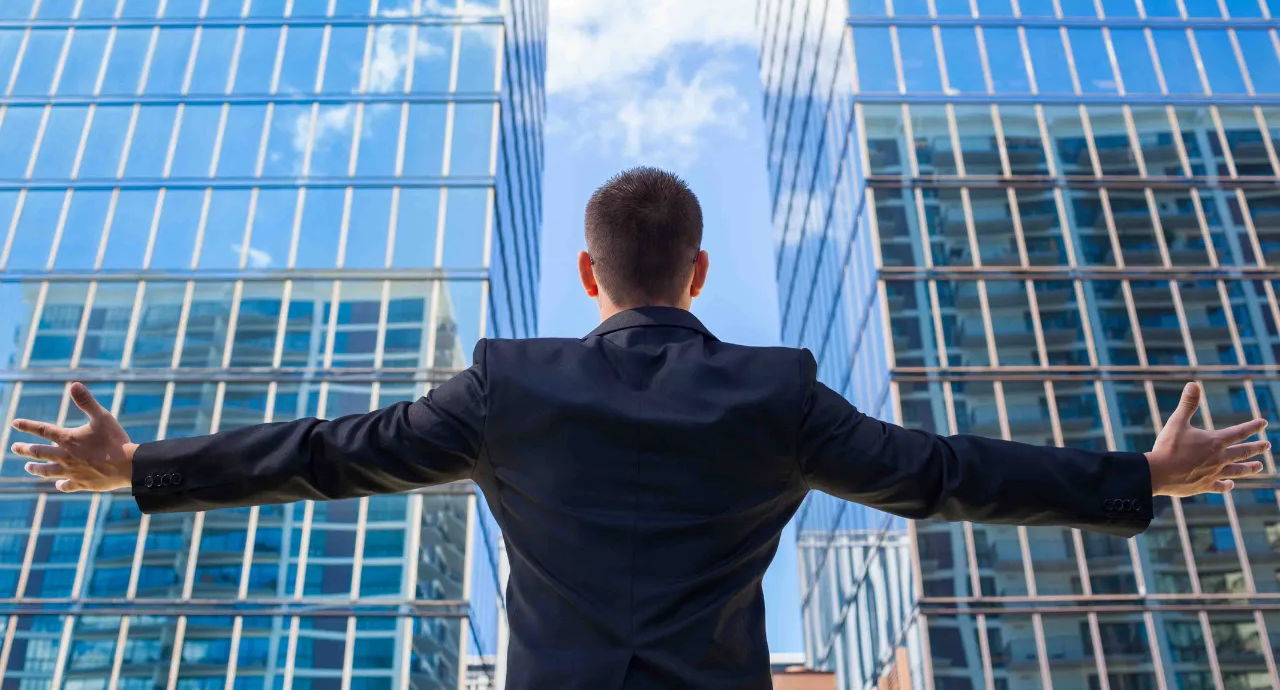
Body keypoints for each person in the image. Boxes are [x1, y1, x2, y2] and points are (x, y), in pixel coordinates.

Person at [10, 167, 1269, 689]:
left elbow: (331, 453)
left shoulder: (507, 386)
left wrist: (141, 466)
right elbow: (939, 474)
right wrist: (1139, 477)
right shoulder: (773, 394)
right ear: (697, 273)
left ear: (588, 273)